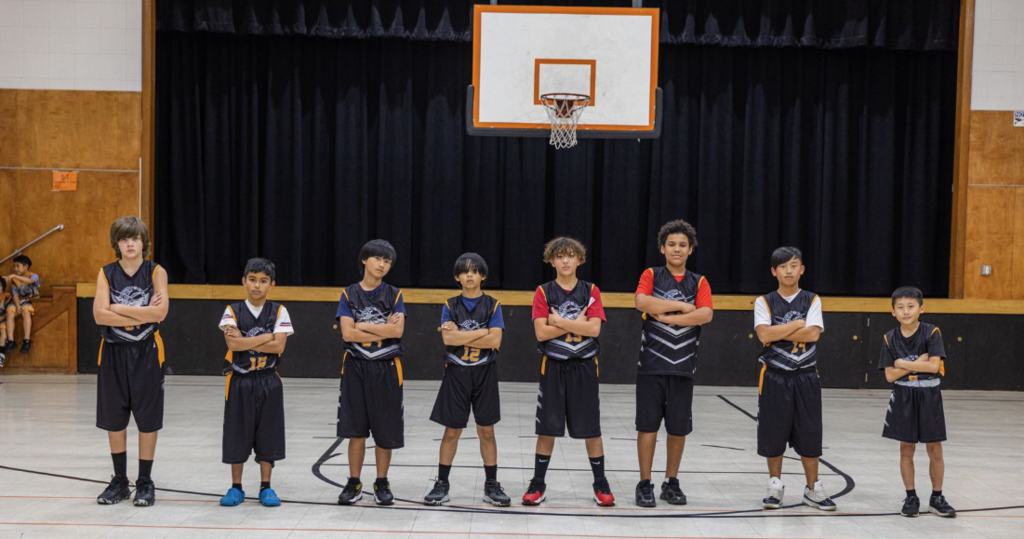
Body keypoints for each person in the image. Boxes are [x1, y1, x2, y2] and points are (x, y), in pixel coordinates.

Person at [522, 237, 615, 507]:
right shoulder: (543, 292)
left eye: (570, 255)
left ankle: (600, 483)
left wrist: (559, 321)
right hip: (553, 366)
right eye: (559, 256)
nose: (565, 260)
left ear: (579, 260)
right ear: (551, 260)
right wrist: (576, 323)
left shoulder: (591, 290)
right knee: (547, 428)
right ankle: (538, 484)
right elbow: (541, 332)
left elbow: (594, 329)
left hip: (584, 365)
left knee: (591, 429)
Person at [633, 220, 713, 507]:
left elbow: (705, 315)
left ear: (690, 250)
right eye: (671, 244)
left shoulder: (699, 281)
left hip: (683, 366)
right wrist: (684, 306)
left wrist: (668, 317)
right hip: (652, 365)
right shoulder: (652, 274)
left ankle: (671, 481)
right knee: (648, 427)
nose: (676, 249)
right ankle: (645, 483)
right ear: (662, 248)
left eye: (682, 245)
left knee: (678, 428)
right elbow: (642, 302)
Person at [93, 217, 168, 507]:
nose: (130, 244)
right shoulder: (106, 273)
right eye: (124, 239)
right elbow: (100, 316)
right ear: (117, 244)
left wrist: (116, 307)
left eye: (134, 239)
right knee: (115, 418)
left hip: (147, 351)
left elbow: (159, 314)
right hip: (113, 352)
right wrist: (141, 311)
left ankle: (145, 481)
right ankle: (120, 481)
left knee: (147, 419)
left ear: (143, 242)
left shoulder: (156, 272)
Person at [424, 253, 510, 506]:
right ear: (457, 277)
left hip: (485, 372)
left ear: (483, 276)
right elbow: (449, 340)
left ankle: (491, 484)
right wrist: (482, 331)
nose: (470, 275)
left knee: (487, 430)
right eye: (465, 271)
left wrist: (465, 333)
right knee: (452, 431)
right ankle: (442, 483)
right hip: (457, 373)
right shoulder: (450, 305)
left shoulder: (493, 305)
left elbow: (495, 341)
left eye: (475, 271)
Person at [753, 246, 835, 511]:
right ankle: (775, 487)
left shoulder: (812, 299)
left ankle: (813, 489)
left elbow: (813, 335)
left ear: (802, 269)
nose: (789, 270)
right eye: (783, 266)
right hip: (775, 376)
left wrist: (779, 330)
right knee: (773, 432)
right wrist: (796, 325)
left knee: (810, 433)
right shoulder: (763, 301)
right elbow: (764, 336)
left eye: (794, 265)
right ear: (773, 271)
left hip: (806, 376)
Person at [218, 258, 294, 508]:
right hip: (240, 380)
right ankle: (236, 487)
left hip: (268, 380)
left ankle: (266, 487)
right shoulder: (232, 310)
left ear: (272, 284)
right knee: (236, 434)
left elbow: (279, 346)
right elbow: (233, 345)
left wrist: (246, 339)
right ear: (244, 281)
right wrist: (266, 337)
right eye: (252, 280)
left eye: (263, 281)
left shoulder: (279, 310)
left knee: (268, 433)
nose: (257, 286)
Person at [335, 240, 407, 506]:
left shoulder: (394, 295)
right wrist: (379, 327)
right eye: (378, 258)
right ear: (364, 260)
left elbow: (397, 332)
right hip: (356, 365)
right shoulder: (349, 294)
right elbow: (347, 333)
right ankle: (354, 482)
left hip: (386, 366)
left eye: (387, 261)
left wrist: (362, 325)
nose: (382, 264)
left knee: (385, 430)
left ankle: (382, 481)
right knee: (355, 430)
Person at [879, 286, 956, 518]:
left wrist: (902, 363)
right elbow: (890, 376)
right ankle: (911, 496)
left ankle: (937, 497)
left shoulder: (932, 332)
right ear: (893, 312)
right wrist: (916, 363)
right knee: (906, 449)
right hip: (904, 396)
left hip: (929, 395)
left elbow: (933, 366)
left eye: (910, 306)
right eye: (900, 307)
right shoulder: (889, 338)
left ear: (921, 308)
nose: (905, 311)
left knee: (935, 449)